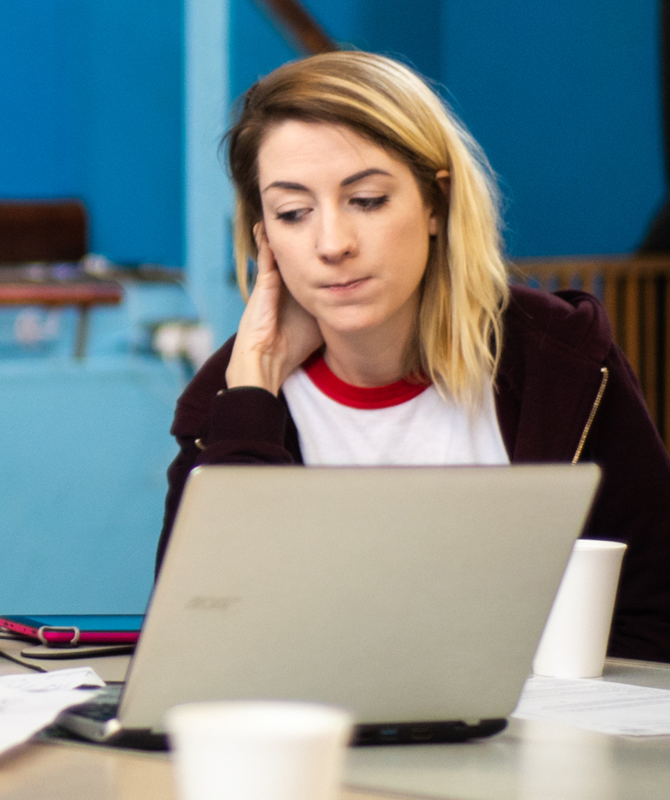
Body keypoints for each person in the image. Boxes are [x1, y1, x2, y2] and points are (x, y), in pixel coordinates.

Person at [158, 51, 670, 663]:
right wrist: (249, 402)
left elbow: (655, 623)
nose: (332, 244)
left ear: (435, 202)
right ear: (265, 238)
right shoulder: (228, 396)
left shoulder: (562, 362)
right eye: (294, 213)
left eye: (367, 200)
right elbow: (202, 652)